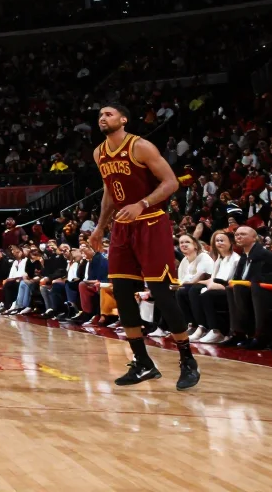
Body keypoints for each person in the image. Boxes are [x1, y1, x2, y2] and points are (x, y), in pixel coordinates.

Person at [86, 103, 199, 390]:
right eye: (100, 115)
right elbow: (109, 192)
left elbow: (171, 182)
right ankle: (143, 362)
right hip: (122, 226)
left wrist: (142, 203)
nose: (103, 118)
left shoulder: (140, 146)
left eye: (109, 114)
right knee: (122, 293)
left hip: (151, 221)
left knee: (161, 292)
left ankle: (187, 360)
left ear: (123, 119)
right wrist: (100, 227)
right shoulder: (99, 153)